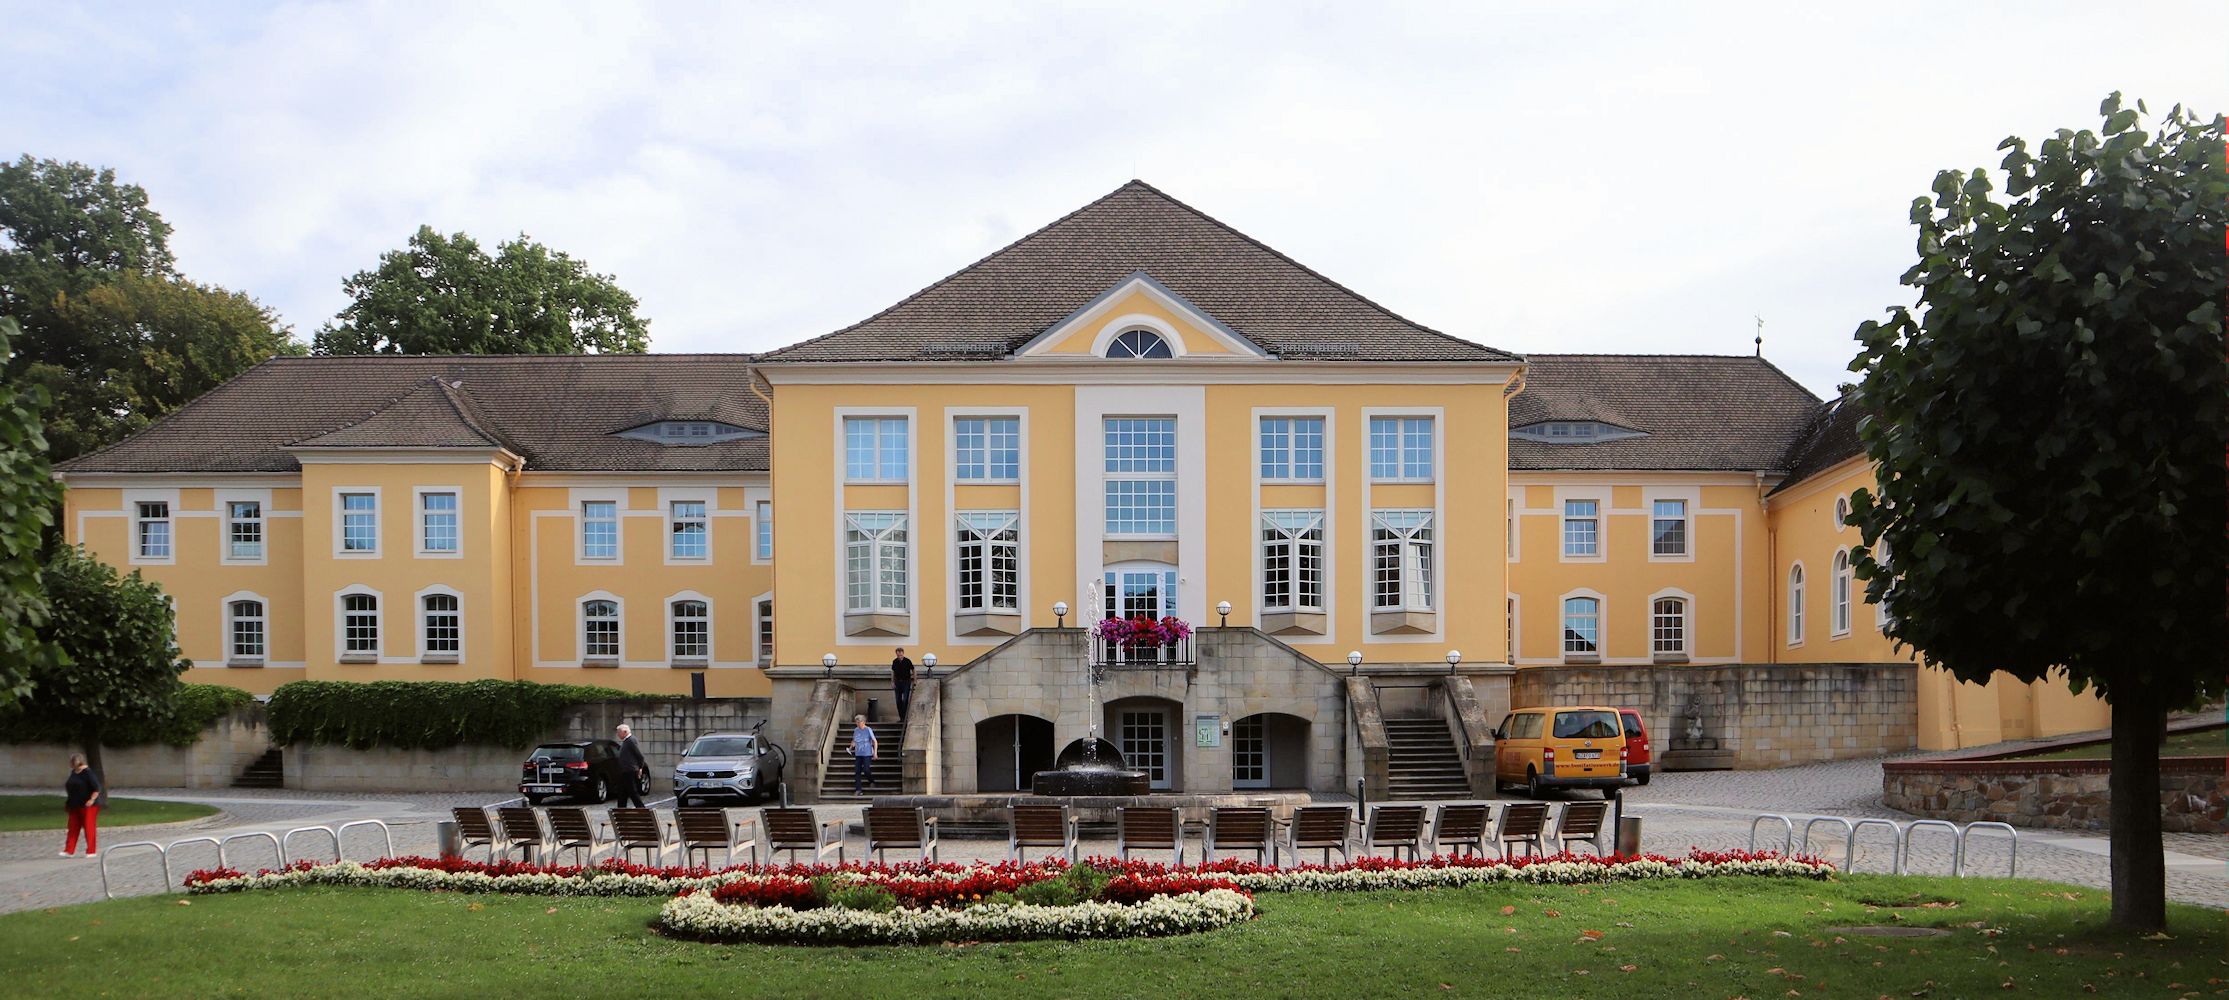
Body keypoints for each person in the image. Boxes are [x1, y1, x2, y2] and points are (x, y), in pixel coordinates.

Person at [62, 754, 103, 858]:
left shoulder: (87, 773)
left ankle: (91, 851)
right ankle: (69, 850)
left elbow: (96, 787)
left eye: (71, 761)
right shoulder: (73, 773)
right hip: (74, 804)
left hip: (88, 805)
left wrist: (92, 799)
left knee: (89, 827)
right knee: (73, 828)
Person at [613, 724, 648, 808]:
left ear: (625, 732)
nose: (618, 734)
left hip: (630, 771)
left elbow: (639, 756)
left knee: (633, 792)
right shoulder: (626, 741)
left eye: (619, 732)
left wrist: (640, 768)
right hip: (625, 771)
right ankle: (620, 811)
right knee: (622, 793)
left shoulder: (631, 740)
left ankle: (642, 811)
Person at [847, 714, 877, 795]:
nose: (857, 724)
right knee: (857, 771)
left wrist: (875, 753)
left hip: (867, 753)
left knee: (866, 770)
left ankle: (871, 781)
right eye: (856, 722)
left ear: (863, 722)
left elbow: (874, 741)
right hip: (858, 754)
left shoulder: (868, 730)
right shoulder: (856, 730)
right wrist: (851, 747)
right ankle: (858, 789)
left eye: (859, 722)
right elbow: (854, 740)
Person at [890, 647, 915, 722]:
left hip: (906, 682)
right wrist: (892, 682)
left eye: (900, 655)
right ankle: (901, 717)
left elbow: (913, 670)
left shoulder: (907, 661)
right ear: (896, 654)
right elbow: (893, 672)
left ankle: (905, 717)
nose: (899, 657)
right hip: (897, 682)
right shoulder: (894, 661)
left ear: (903, 653)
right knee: (898, 701)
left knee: (905, 700)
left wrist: (915, 680)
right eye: (898, 655)